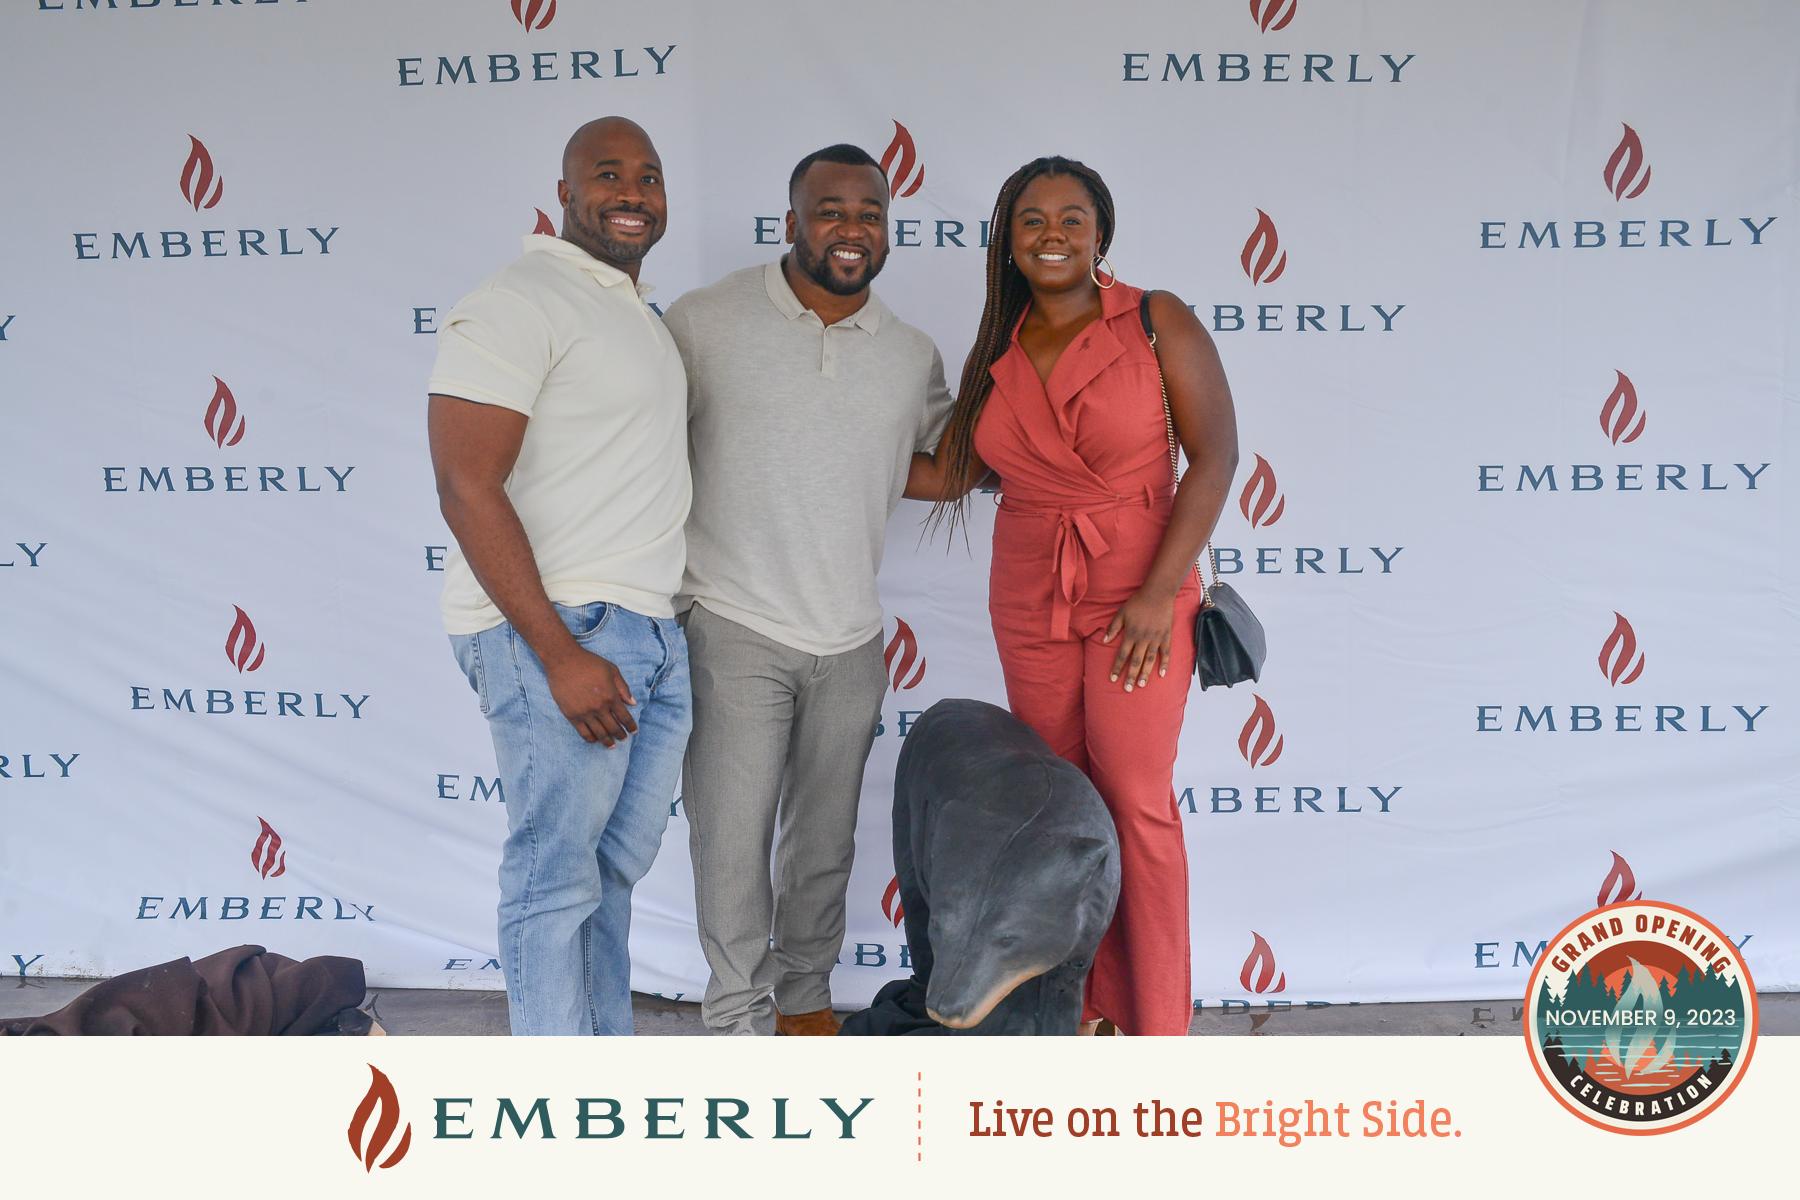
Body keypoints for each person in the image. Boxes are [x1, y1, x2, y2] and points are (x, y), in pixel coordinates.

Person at [906, 156, 1239, 1035]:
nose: (1052, 234)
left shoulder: (1155, 320)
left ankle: (1156, 1021)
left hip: (1140, 587)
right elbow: (951, 477)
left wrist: (1156, 594)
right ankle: (1073, 1012)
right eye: (1032, 221)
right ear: (1007, 242)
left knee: (1134, 798)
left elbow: (1215, 458)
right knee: (1056, 807)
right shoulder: (998, 349)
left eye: (1071, 219)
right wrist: (816, 448)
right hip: (1029, 594)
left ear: (1101, 234)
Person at [661, 144, 953, 1036]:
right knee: (732, 845)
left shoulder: (910, 353)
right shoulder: (704, 321)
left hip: (851, 637)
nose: (850, 229)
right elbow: (639, 448)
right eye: (830, 211)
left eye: (869, 213)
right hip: (732, 623)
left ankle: (804, 999)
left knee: (824, 847)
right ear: (791, 221)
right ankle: (737, 1016)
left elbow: (935, 469)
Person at [426, 116, 691, 1036]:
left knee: (606, 875)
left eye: (649, 178)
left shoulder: (634, 312)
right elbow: (465, 483)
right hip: (561, 631)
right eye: (608, 174)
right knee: (552, 878)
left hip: (650, 630)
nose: (632, 193)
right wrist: (557, 653)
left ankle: (599, 1094)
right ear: (566, 193)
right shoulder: (519, 298)